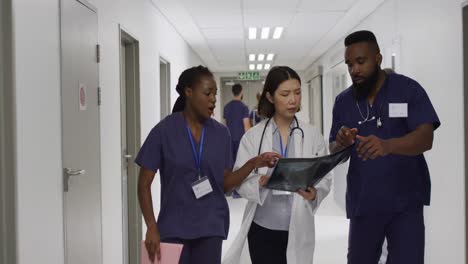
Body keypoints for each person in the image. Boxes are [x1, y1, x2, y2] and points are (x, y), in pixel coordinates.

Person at [136, 66, 280, 264]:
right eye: (207, 93)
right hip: (173, 228)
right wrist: (151, 226)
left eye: (215, 93)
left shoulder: (221, 134)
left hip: (210, 227)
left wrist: (254, 163)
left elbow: (226, 184)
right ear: (189, 92)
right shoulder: (164, 131)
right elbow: (143, 183)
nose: (213, 98)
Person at [329, 30, 440, 264]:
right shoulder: (344, 101)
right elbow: (335, 152)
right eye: (350, 64)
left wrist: (388, 145)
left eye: (361, 62)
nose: (354, 70)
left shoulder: (408, 90)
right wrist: (341, 143)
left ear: (378, 59)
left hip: (405, 201)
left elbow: (425, 138)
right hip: (364, 201)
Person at [223, 66, 332, 264]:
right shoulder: (253, 136)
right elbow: (240, 179)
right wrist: (261, 182)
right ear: (271, 97)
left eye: (297, 93)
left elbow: (324, 175)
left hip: (299, 225)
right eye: (285, 94)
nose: (293, 100)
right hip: (263, 228)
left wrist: (315, 192)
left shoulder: (312, 134)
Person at [224, 83, 251, 158]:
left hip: (229, 140)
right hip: (240, 140)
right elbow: (246, 126)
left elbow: (225, 125)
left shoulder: (226, 107)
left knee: (231, 162)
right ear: (241, 92)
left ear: (233, 92)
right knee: (240, 161)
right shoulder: (243, 107)